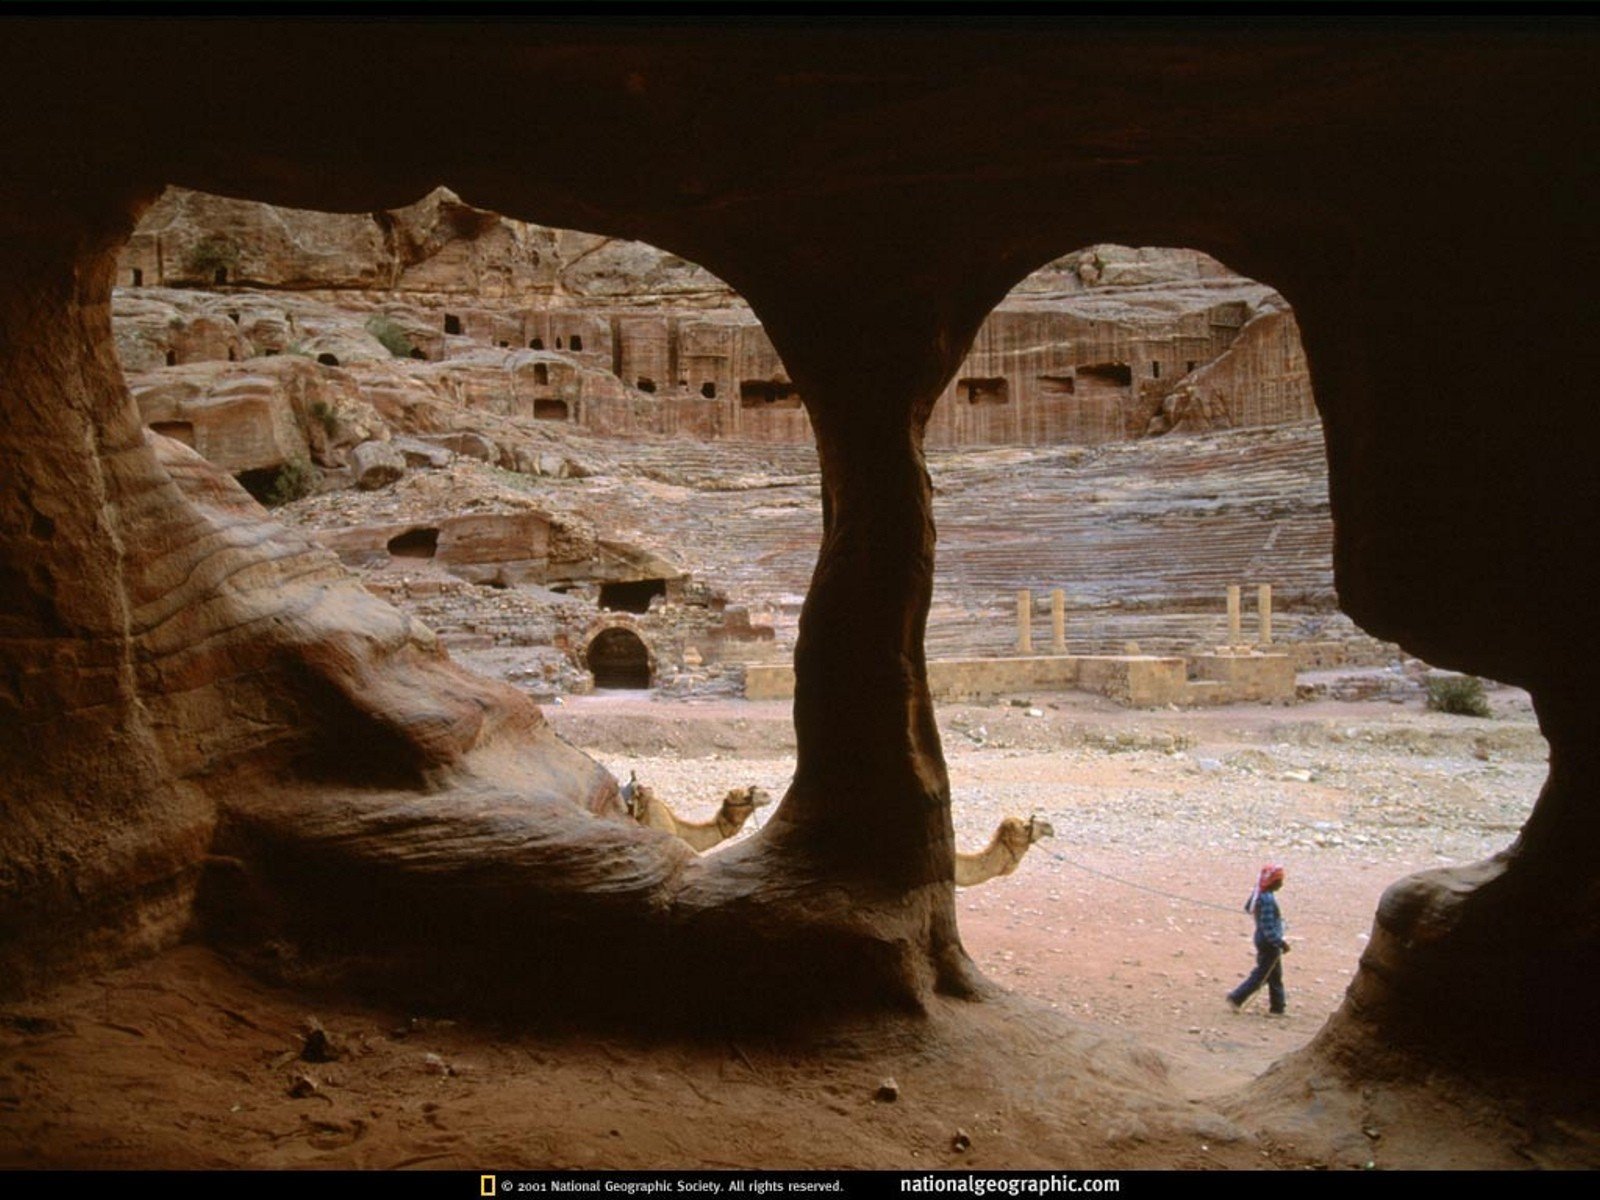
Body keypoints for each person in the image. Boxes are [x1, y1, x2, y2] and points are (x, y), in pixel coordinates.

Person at [1228, 863, 1289, 1014]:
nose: (1282, 884)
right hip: (1268, 942)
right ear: (1273, 882)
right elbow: (1268, 927)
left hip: (1261, 939)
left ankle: (1278, 1007)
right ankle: (1237, 997)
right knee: (1262, 975)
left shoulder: (1260, 895)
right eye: (1279, 881)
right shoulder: (1267, 899)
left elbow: (1249, 907)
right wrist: (1280, 943)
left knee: (1274, 975)